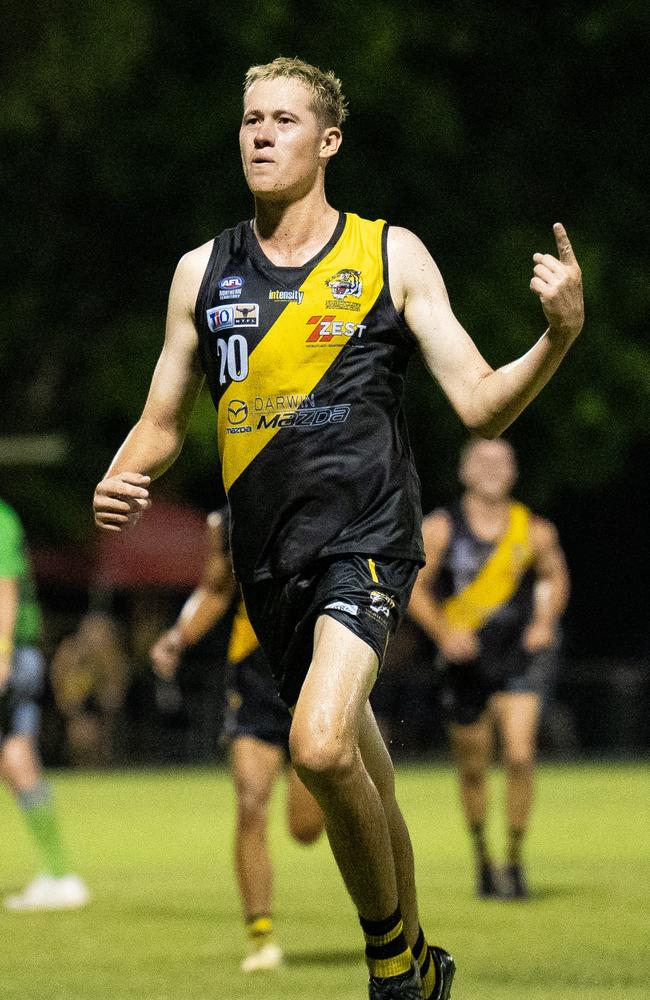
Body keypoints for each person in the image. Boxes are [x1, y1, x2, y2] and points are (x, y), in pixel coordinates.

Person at [92, 56, 583, 999]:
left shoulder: (389, 255)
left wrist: (557, 336)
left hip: (368, 541)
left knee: (316, 747)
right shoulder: (203, 272)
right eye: (249, 119)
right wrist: (125, 473)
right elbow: (162, 419)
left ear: (328, 142)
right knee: (362, 766)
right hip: (268, 565)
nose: (260, 134)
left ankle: (394, 963)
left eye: (282, 119)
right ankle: (419, 963)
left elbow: (481, 403)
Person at [149, 508, 324, 972]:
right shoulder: (225, 521)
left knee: (305, 830)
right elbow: (216, 589)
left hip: (316, 676)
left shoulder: (323, 497)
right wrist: (177, 637)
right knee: (251, 802)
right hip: (253, 680)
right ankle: (261, 937)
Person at [408, 438, 570, 900]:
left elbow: (555, 577)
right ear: (465, 471)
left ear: (514, 471)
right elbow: (413, 588)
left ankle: (515, 859)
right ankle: (483, 855)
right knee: (474, 768)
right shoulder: (440, 528)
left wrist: (544, 621)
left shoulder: (535, 531)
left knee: (519, 756)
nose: (492, 469)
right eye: (482, 461)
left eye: (502, 461)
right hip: (464, 662)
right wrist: (443, 634)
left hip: (519, 657)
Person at [0, 497, 89, 911]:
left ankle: (59, 874)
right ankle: (58, 873)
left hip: (9, 653)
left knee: (15, 754)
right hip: (18, 654)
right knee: (16, 756)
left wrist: (1, 654)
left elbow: (5, 586)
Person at [50, 612, 130, 767]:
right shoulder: (70, 651)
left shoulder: (112, 656)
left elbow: (114, 696)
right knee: (80, 734)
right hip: (77, 708)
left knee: (96, 736)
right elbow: (62, 687)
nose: (95, 638)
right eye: (91, 632)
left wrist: (103, 664)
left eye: (101, 633)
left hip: (103, 711)